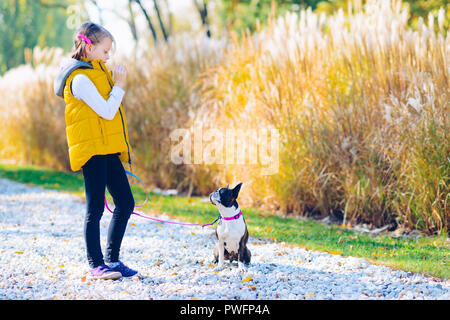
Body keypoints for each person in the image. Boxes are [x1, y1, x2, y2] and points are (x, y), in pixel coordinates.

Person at [54, 21, 137, 280]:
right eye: (105, 50)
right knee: (95, 209)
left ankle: (112, 260)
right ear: (89, 48)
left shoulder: (99, 71)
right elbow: (107, 110)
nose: (109, 55)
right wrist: (120, 85)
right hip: (92, 151)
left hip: (107, 148)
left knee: (125, 201)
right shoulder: (79, 79)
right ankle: (96, 264)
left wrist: (114, 83)